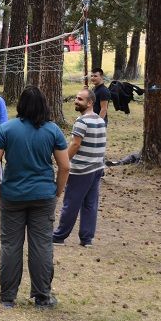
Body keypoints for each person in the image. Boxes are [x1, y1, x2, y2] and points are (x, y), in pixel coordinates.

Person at [0, 86, 70, 309]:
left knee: (11, 245)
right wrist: (57, 190)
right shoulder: (53, 131)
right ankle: (43, 296)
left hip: (12, 196)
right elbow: (65, 166)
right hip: (43, 196)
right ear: (44, 105)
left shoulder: (6, 129)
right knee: (41, 245)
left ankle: (7, 297)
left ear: (21, 104)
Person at [53, 89, 107, 247]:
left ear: (90, 103)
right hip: (97, 168)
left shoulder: (82, 121)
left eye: (80, 99)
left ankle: (59, 236)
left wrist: (64, 161)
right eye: (76, 98)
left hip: (82, 169)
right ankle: (87, 238)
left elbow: (75, 144)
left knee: (71, 202)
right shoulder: (99, 120)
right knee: (90, 204)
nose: (76, 101)